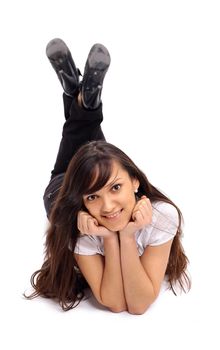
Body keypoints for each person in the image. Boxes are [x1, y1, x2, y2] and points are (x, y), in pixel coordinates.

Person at [26, 38, 191, 314]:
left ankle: (79, 99)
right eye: (94, 196)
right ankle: (83, 102)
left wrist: (122, 234)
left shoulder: (162, 216)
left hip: (60, 193)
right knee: (99, 155)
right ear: (85, 201)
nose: (107, 206)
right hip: (73, 196)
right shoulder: (79, 224)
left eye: (115, 188)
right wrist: (117, 236)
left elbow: (137, 304)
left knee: (94, 150)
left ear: (135, 180)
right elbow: (115, 302)